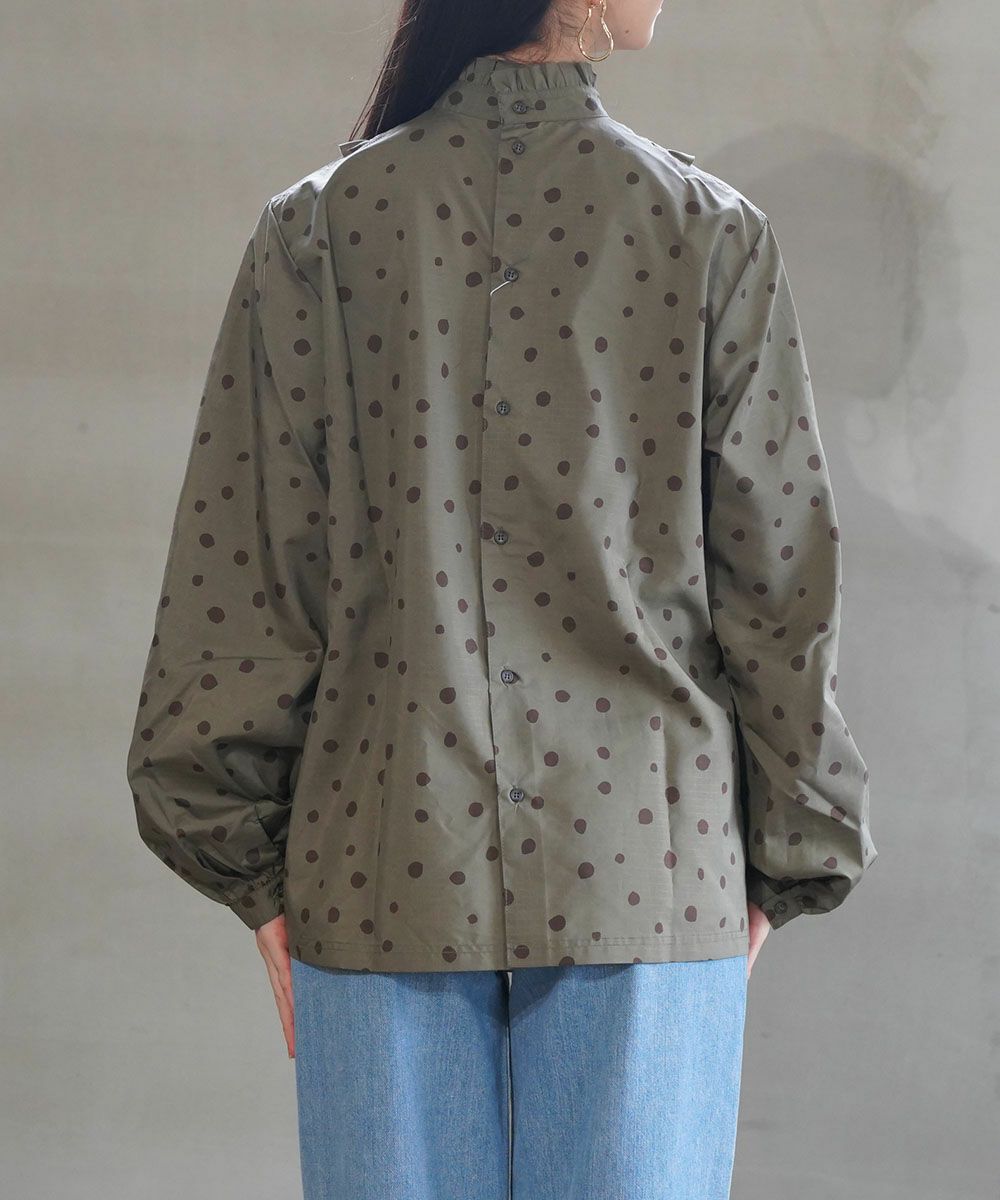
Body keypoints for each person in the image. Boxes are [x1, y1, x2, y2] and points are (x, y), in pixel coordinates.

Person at [125, 1, 879, 1196]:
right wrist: (788, 856)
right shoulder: (708, 234)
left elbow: (242, 587)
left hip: (379, 869)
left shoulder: (319, 228)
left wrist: (253, 877)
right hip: (649, 868)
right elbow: (777, 593)